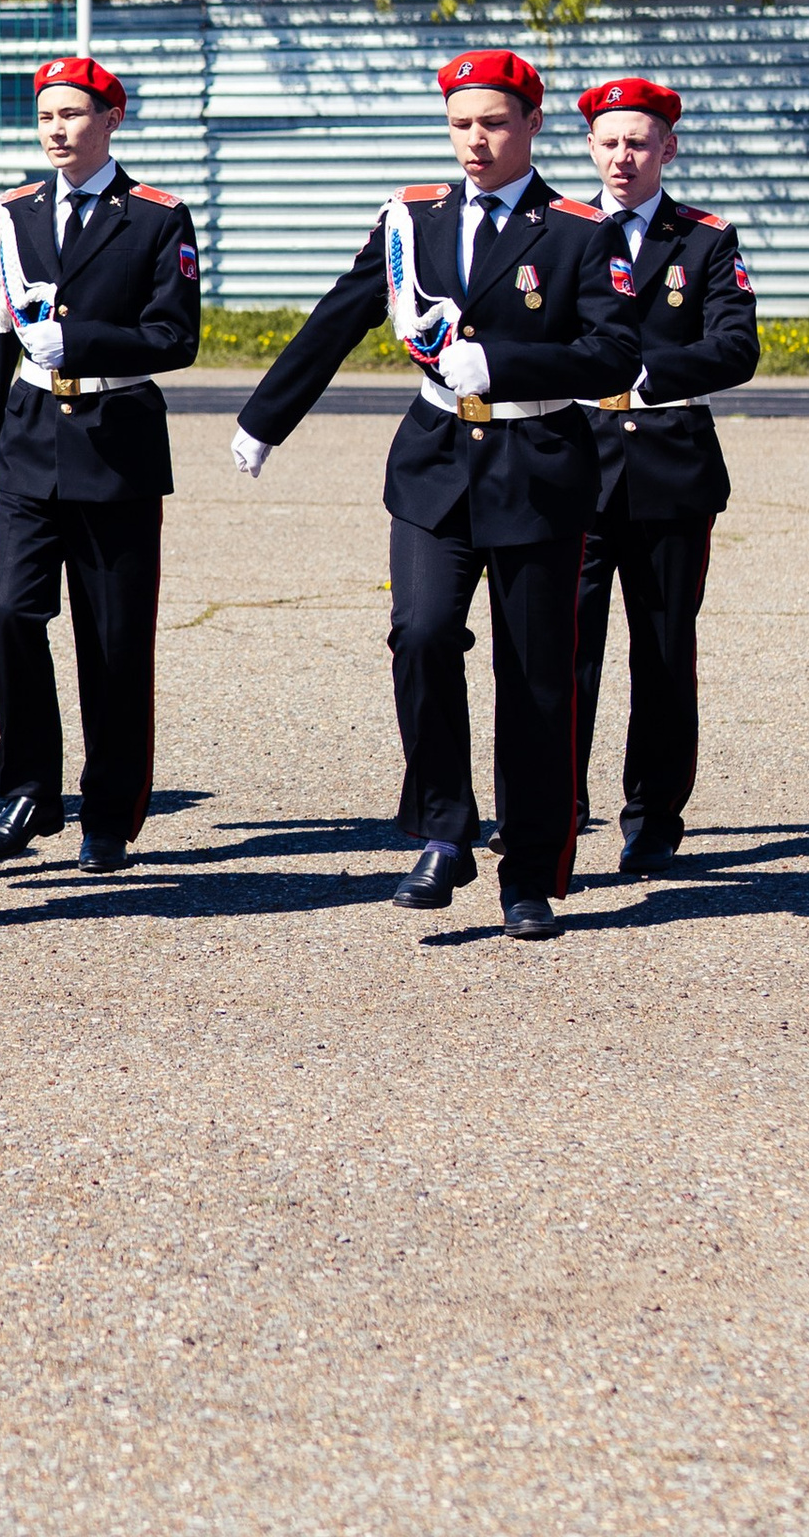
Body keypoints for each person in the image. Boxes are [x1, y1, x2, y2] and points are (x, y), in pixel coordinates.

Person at [231, 46, 639, 940]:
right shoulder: (411, 218)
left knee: (534, 680)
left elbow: (614, 356)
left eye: (493, 123)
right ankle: (445, 828)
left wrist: (504, 359)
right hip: (435, 462)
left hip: (537, 465)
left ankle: (530, 872)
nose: (475, 143)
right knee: (418, 636)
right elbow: (341, 315)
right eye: (461, 125)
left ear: (532, 126)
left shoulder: (579, 230)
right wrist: (265, 419)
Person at [0, 52, 201, 875]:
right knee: (8, 614)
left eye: (73, 114)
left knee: (114, 642)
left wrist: (87, 340)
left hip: (116, 438)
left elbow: (178, 337)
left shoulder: (156, 217)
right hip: (29, 436)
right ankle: (30, 785)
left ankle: (110, 812)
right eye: (46, 116)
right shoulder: (11, 215)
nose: (57, 130)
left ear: (111, 120)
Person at [569, 74, 760, 879]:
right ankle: (554, 801)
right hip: (571, 462)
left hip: (669, 466)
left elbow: (737, 344)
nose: (623, 157)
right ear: (589, 147)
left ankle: (652, 818)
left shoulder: (705, 240)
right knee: (560, 645)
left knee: (662, 649)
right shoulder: (562, 230)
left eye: (639, 142)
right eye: (610, 142)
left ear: (668, 149)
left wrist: (651, 372)